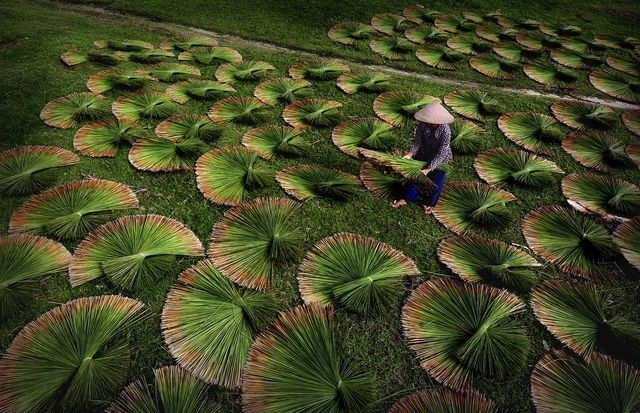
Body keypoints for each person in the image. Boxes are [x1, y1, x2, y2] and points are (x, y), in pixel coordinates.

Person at [391, 101, 453, 214]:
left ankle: (429, 203)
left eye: (433, 122)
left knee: (437, 182)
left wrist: (428, 169)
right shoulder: (422, 125)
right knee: (415, 178)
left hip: (440, 160)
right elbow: (417, 143)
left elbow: (441, 153)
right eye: (428, 121)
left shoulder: (446, 131)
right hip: (423, 154)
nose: (430, 123)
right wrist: (409, 155)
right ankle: (406, 198)